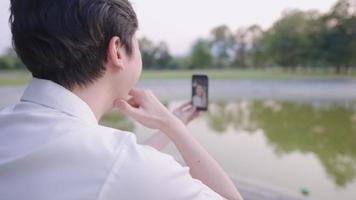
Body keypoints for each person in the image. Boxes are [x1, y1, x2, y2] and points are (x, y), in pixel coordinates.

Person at [0, 0, 243, 200]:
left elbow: (109, 168)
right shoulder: (121, 164)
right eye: (137, 43)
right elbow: (120, 168)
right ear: (117, 51)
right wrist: (176, 128)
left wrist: (172, 123)